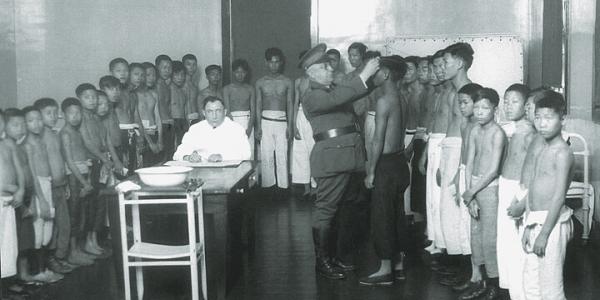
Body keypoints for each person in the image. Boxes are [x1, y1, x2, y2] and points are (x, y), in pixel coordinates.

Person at [299, 43, 379, 280]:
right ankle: (322, 262)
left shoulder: (332, 90)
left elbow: (351, 91)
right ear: (312, 72)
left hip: (346, 157)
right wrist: (364, 74)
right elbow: (341, 96)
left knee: (339, 211)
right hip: (332, 159)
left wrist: (369, 75)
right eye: (325, 67)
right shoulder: (312, 96)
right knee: (326, 210)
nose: (331, 69)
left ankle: (332, 258)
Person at [359, 55, 409, 286]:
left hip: (386, 165)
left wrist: (370, 171)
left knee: (382, 217)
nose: (373, 75)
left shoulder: (383, 100)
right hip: (400, 164)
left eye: (376, 71)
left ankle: (385, 270)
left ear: (386, 74)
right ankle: (398, 266)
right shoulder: (403, 98)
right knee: (397, 215)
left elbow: (378, 140)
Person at [520, 91, 573, 300]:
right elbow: (533, 187)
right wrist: (528, 224)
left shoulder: (562, 152)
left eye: (549, 118)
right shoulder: (542, 146)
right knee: (531, 280)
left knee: (550, 286)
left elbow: (558, 197)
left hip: (551, 223)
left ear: (562, 119)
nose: (542, 124)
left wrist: (544, 234)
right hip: (535, 219)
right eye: (539, 117)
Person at [460, 87, 506, 300]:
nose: (479, 112)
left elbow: (493, 170)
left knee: (489, 238)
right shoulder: (475, 130)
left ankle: (494, 285)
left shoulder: (498, 133)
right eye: (476, 107)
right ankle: (481, 281)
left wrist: (471, 192)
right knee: (476, 237)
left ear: (494, 109)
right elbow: (469, 163)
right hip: (474, 187)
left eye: (484, 108)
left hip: (490, 188)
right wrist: (469, 194)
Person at [438, 42, 474, 278]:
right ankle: (457, 263)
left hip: (460, 152)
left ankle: (467, 270)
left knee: (460, 213)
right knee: (449, 212)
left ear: (460, 64)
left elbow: (467, 133)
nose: (444, 67)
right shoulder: (453, 91)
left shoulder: (468, 92)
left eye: (447, 62)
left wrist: (459, 170)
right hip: (450, 150)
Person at [443, 83, 483, 291]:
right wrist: (458, 176)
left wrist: (472, 186)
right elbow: (464, 154)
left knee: (473, 228)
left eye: (465, 102)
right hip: (464, 173)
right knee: (463, 225)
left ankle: (477, 275)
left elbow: (479, 158)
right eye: (460, 103)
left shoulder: (479, 126)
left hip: (476, 179)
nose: (461, 107)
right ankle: (470, 272)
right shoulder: (464, 125)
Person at [496, 84, 534, 300]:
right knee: (506, 240)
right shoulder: (513, 130)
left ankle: (521, 292)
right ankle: (511, 289)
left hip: (517, 190)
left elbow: (531, 172)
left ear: (527, 104)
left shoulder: (530, 134)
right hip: (505, 183)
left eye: (515, 101)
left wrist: (521, 198)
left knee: (517, 242)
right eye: (506, 100)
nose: (508, 106)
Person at [77, 83, 123, 256]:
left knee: (100, 204)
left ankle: (94, 240)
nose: (93, 101)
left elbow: (107, 141)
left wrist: (115, 160)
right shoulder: (82, 118)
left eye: (94, 97)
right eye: (88, 97)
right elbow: (88, 143)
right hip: (92, 164)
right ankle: (87, 242)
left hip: (102, 164)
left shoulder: (97, 119)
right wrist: (104, 158)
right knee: (91, 205)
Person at [22, 106, 64, 283]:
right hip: (38, 188)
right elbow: (32, 175)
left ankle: (43, 269)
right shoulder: (28, 145)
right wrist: (41, 199)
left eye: (39, 119)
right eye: (31, 121)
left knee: (48, 231)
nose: (37, 124)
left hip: (47, 184)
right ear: (24, 124)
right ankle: (37, 271)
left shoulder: (41, 140)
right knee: (38, 233)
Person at [33, 98, 74, 275]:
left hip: (60, 185)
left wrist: (65, 184)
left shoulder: (55, 134)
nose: (53, 116)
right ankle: (49, 261)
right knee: (48, 228)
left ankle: (59, 257)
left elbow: (61, 161)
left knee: (63, 225)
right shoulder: (38, 138)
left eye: (54, 112)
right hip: (47, 188)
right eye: (48, 113)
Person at [3, 108, 43, 284]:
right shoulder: (8, 145)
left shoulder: (18, 146)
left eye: (22, 124)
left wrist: (27, 196)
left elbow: (25, 173)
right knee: (12, 242)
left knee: (25, 239)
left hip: (23, 196)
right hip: (11, 200)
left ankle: (23, 275)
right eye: (15, 125)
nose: (20, 128)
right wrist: (16, 193)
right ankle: (13, 281)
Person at [418, 49, 450, 254]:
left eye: (441, 66)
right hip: (434, 145)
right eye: (435, 67)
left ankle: (446, 246)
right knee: (432, 199)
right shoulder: (439, 93)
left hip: (445, 148)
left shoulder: (455, 93)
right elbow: (433, 126)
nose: (437, 72)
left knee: (442, 200)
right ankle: (436, 240)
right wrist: (424, 155)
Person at [59, 98, 95, 266]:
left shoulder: (77, 131)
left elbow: (82, 156)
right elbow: (70, 161)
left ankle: (78, 249)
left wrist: (87, 179)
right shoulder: (65, 133)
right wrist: (83, 182)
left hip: (82, 176)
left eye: (78, 113)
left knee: (82, 214)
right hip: (74, 178)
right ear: (63, 114)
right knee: (74, 215)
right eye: (71, 113)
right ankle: (72, 252)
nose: (75, 116)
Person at [255, 47, 293, 191]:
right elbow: (258, 104)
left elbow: (289, 103)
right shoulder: (260, 82)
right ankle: (268, 186)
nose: (274, 65)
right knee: (266, 154)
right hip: (265, 120)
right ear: (266, 63)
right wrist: (258, 126)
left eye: (277, 62)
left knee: (282, 154)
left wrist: (290, 125)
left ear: (281, 63)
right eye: (271, 62)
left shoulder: (287, 81)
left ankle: (283, 187)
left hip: (282, 120)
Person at [173, 97, 251, 162]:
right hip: (202, 173)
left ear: (225, 112)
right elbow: (178, 153)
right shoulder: (196, 129)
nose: (214, 116)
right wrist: (188, 157)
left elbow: (246, 154)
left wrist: (222, 157)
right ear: (204, 113)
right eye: (210, 111)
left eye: (218, 111)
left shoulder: (236, 129)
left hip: (229, 172)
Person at [0, 109, 25, 289]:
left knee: (8, 246)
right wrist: (7, 187)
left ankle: (6, 283)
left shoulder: (7, 144)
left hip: (10, 202)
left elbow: (19, 169)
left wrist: (21, 190)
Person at [292, 50, 314, 196]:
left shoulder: (318, 80)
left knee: (315, 150)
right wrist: (293, 124)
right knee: (300, 152)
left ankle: (316, 186)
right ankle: (306, 187)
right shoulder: (298, 82)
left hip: (314, 116)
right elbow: (295, 102)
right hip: (300, 116)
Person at [223, 59, 255, 159]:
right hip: (232, 121)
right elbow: (227, 111)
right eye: (237, 72)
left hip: (247, 120)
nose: (240, 75)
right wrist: (233, 128)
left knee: (248, 151)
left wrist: (249, 127)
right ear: (233, 72)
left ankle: (250, 174)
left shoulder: (250, 89)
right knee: (233, 151)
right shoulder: (227, 89)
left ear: (246, 73)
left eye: (243, 72)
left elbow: (253, 109)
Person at [133, 63, 162, 167]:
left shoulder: (154, 94)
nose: (151, 78)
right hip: (141, 135)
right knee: (142, 168)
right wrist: (150, 143)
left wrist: (160, 139)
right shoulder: (134, 95)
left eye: (154, 75)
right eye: (147, 75)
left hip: (154, 133)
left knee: (157, 166)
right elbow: (137, 120)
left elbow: (158, 118)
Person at [155, 54, 175, 161]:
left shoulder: (165, 85)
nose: (167, 70)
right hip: (162, 123)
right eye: (164, 67)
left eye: (170, 68)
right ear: (157, 68)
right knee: (163, 158)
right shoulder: (157, 84)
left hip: (169, 122)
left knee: (169, 156)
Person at [182, 54, 200, 123]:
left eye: (194, 65)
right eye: (188, 64)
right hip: (184, 119)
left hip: (196, 117)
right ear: (183, 65)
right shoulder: (180, 85)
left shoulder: (195, 86)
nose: (192, 67)